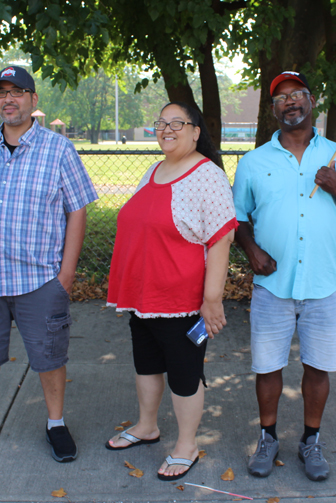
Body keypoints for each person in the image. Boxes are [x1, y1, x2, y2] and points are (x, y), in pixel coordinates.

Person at [0, 66, 98, 462]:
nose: (8, 99)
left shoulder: (58, 149)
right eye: (1, 93)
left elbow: (77, 209)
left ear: (33, 100)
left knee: (49, 357)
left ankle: (55, 424)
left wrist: (65, 274)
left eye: (17, 92)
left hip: (38, 278)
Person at [233, 71, 336, 481]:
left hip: (322, 285)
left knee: (318, 367)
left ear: (311, 102)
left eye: (297, 95)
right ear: (273, 109)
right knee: (267, 367)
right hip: (271, 287)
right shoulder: (253, 162)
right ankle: (268, 437)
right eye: (281, 98)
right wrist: (252, 250)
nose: (290, 102)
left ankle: (311, 441)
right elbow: (239, 218)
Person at [105, 102, 237, 481]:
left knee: (184, 374)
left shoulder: (207, 175)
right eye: (161, 123)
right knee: (146, 365)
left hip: (181, 304)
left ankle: (187, 445)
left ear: (196, 131)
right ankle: (147, 426)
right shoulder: (154, 170)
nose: (167, 129)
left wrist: (212, 300)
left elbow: (221, 239)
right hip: (144, 298)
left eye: (177, 123)